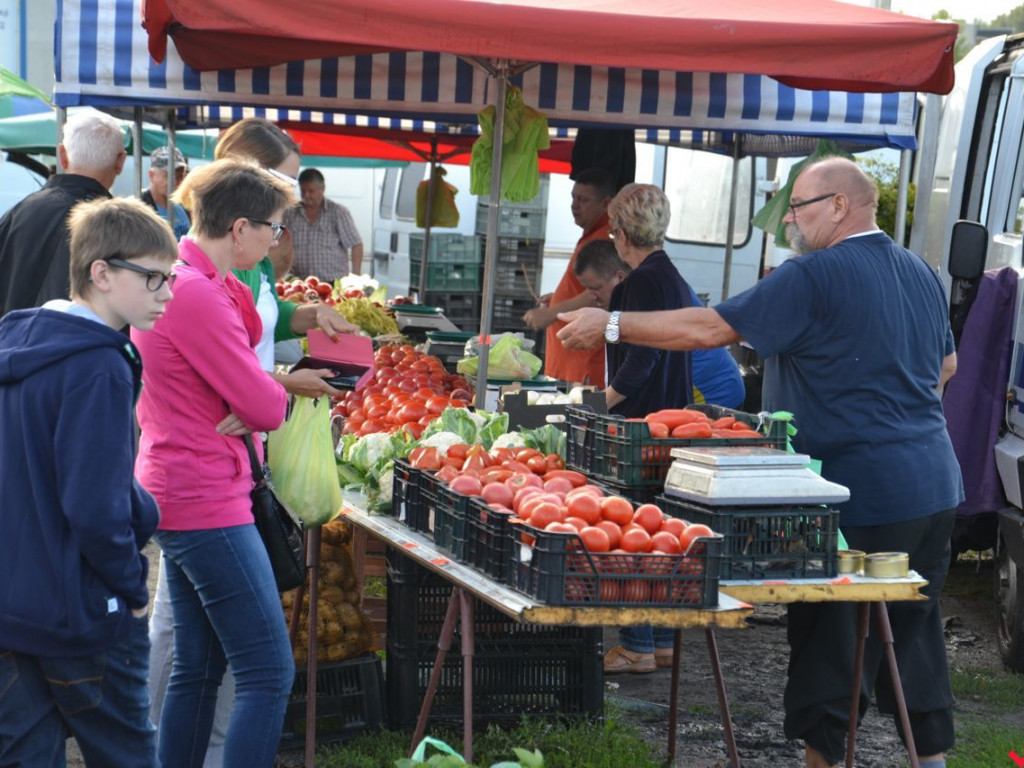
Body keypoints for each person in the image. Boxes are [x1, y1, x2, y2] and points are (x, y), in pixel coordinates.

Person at [557, 157, 962, 768]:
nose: (790, 221)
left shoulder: (815, 273)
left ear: (839, 206)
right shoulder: (920, 270)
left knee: (832, 650)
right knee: (912, 634)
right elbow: (946, 368)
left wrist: (612, 323)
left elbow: (710, 329)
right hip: (934, 486)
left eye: (798, 208)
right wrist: (898, 418)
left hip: (858, 496)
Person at [0, 196, 177, 766]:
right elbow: (94, 505)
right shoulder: (98, 365)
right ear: (100, 273)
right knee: (126, 755)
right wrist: (130, 587)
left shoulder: (18, 339)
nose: (167, 294)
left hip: (12, 605)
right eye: (152, 278)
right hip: (81, 609)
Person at [133, 158, 297, 768]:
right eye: (274, 228)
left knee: (198, 670)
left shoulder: (189, 281)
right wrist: (264, 396)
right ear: (239, 228)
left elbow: (249, 391)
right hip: (206, 496)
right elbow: (265, 402)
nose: (277, 241)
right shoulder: (196, 293)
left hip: (184, 488)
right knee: (268, 671)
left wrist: (252, 395)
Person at [588, 184, 694, 674]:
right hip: (671, 423)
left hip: (641, 427)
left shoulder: (638, 284)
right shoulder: (670, 276)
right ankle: (665, 639)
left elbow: (639, 358)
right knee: (664, 535)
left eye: (613, 228)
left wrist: (601, 405)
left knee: (632, 535)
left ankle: (636, 645)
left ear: (624, 234)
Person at [575, 241, 745, 409]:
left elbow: (638, 364)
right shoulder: (649, 284)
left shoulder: (644, 290)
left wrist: (596, 406)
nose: (591, 296)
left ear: (620, 277)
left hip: (714, 391)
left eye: (595, 287)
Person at [0, 110, 127, 317]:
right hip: (86, 346)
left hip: (13, 344)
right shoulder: (123, 225)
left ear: (62, 155)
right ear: (120, 161)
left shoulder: (18, 213)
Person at [522, 167, 614, 387]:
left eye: (583, 200)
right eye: (573, 198)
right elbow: (585, 287)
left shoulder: (604, 237)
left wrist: (552, 313)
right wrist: (557, 297)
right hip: (573, 357)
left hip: (585, 360)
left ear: (605, 204)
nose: (575, 205)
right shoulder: (591, 233)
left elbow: (596, 295)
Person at [283, 167, 363, 280]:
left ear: (322, 189)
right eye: (303, 191)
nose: (306, 195)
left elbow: (356, 244)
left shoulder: (338, 212)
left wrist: (356, 276)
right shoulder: (290, 213)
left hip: (333, 281)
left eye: (311, 191)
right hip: (300, 281)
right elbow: (281, 242)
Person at [142, 146, 191, 240]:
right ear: (151, 175)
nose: (175, 182)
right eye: (168, 176)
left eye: (180, 176)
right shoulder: (140, 209)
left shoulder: (184, 205)